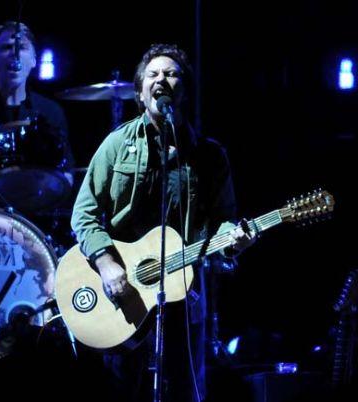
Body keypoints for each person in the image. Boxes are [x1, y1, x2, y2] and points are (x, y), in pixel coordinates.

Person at [71, 43, 257, 401]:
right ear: (140, 93)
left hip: (184, 293)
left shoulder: (209, 155)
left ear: (183, 90)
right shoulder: (116, 145)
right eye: (153, 75)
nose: (162, 80)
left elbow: (223, 221)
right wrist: (107, 264)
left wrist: (233, 240)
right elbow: (84, 213)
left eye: (171, 74)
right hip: (124, 294)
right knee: (122, 388)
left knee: (186, 389)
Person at [0, 21, 75, 210]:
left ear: (34, 60)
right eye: (6, 47)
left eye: (22, 48)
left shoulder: (50, 113)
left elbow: (66, 175)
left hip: (33, 216)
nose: (14, 53)